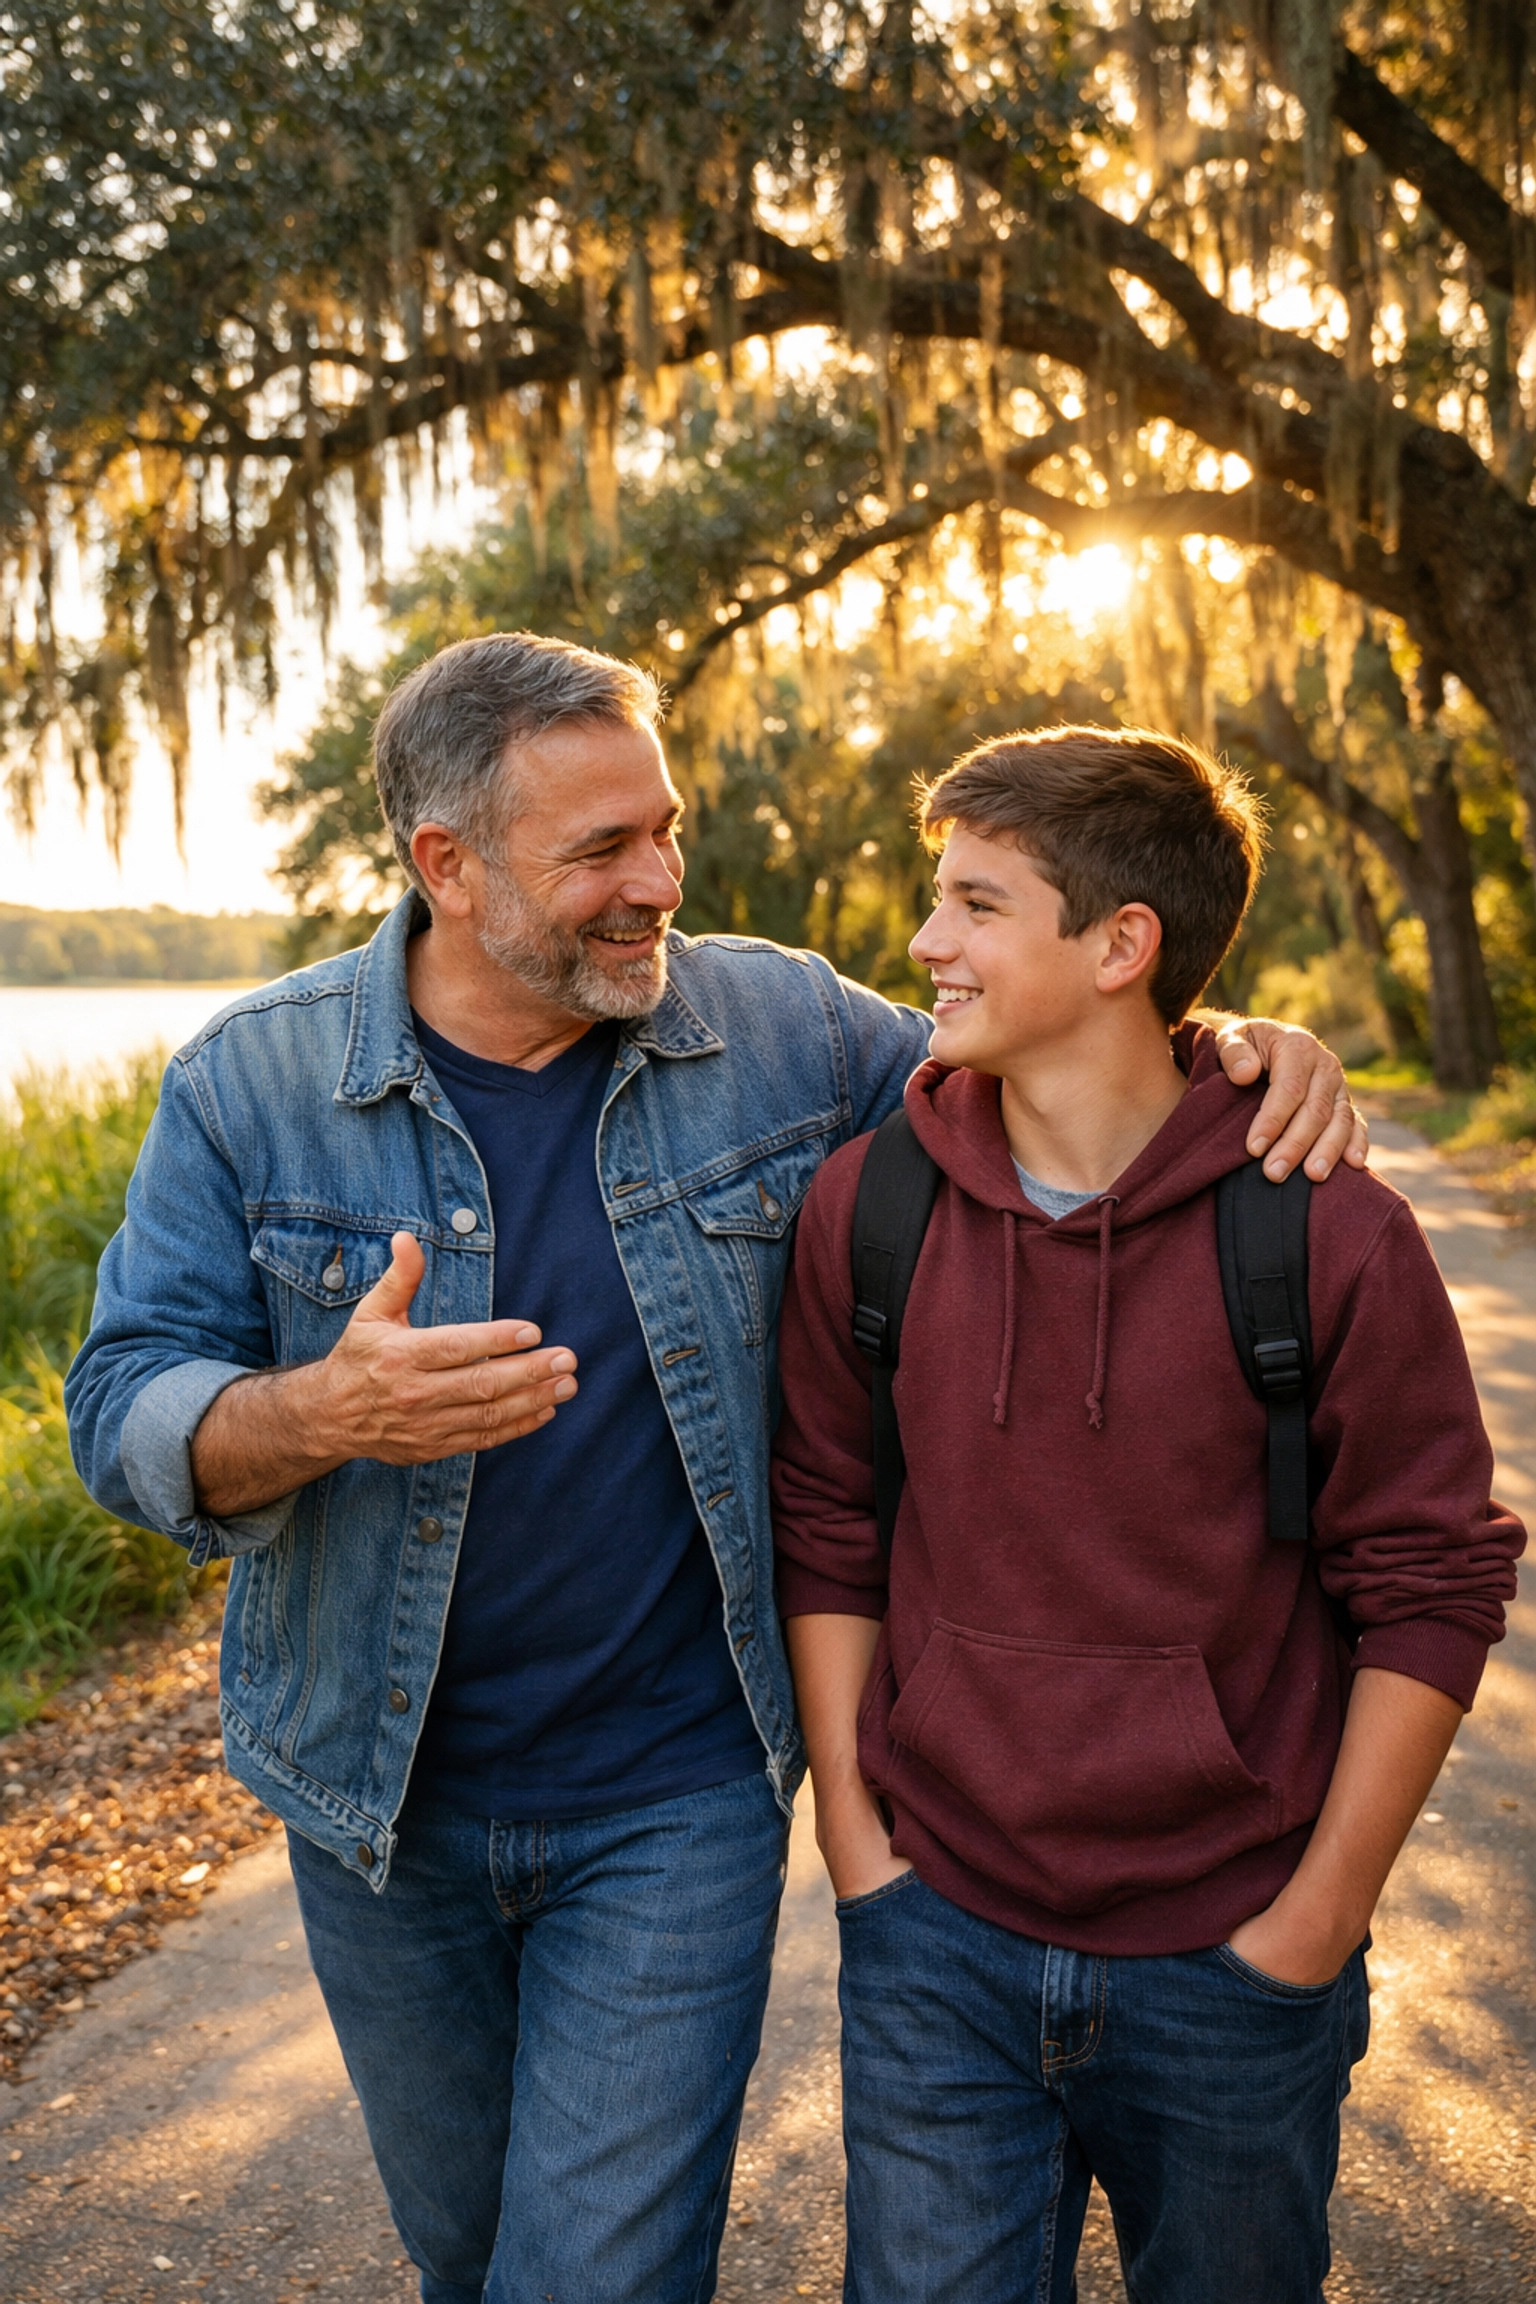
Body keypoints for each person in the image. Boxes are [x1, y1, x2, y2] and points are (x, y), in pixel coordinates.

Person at [67, 638, 1363, 2304]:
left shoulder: (783, 1029)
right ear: (444, 865)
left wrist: (1237, 1042)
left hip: (673, 1795)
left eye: (663, 831)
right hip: (368, 1799)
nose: (656, 883)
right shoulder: (252, 1084)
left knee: (590, 2275)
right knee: (473, 2255)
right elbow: (121, 1401)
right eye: (600, 851)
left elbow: (1056, 1052)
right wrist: (317, 1414)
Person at [771, 724, 1524, 2304]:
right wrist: (856, 1837)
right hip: (940, 1940)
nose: (926, 942)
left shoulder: (1325, 1233)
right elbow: (830, 1518)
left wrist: (1314, 1924)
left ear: (1123, 946)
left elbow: (1436, 1586)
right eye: (936, 896)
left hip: (1234, 1961)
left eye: (977, 904)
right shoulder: (874, 1203)